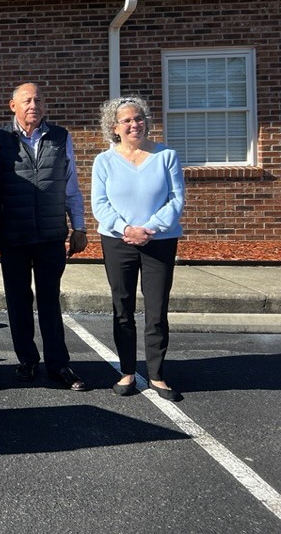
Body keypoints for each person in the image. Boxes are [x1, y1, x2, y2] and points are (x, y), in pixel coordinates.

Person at [0, 82, 89, 391]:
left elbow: (71, 187)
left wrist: (78, 227)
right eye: (27, 100)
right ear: (12, 105)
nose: (34, 105)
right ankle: (27, 360)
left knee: (49, 301)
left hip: (50, 235)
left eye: (39, 100)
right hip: (12, 235)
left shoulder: (61, 137)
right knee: (18, 301)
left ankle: (58, 364)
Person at [92, 96, 185, 401]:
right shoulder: (104, 161)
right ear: (114, 127)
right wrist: (126, 229)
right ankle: (127, 372)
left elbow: (175, 200)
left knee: (156, 310)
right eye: (127, 121)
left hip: (159, 242)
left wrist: (150, 229)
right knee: (123, 308)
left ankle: (157, 375)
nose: (134, 125)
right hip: (118, 242)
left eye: (139, 118)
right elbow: (100, 204)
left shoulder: (166, 156)